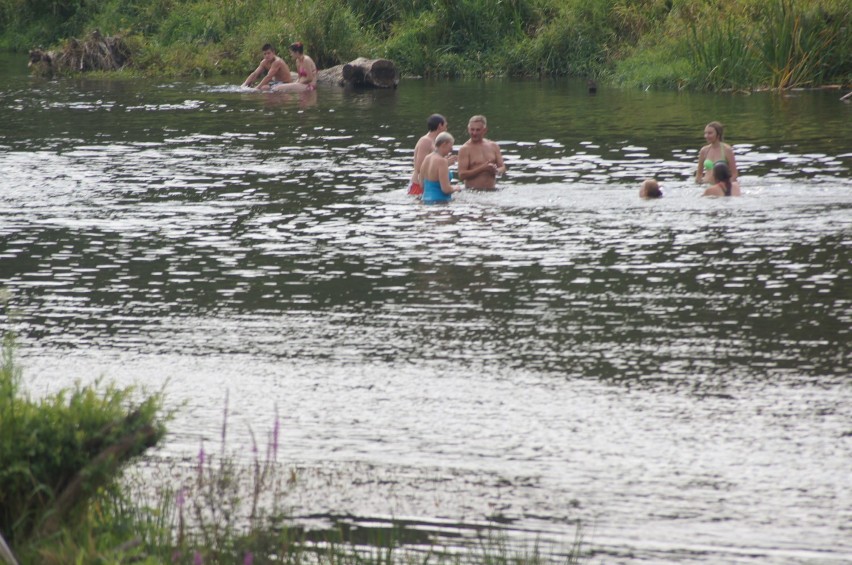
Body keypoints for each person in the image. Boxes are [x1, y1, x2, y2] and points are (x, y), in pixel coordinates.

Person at [408, 114, 455, 195]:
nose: (446, 129)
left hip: (428, 186)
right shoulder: (426, 141)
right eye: (446, 126)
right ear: (440, 126)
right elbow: (419, 167)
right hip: (419, 185)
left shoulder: (435, 142)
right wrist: (446, 163)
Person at [458, 115, 506, 190]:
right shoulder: (465, 149)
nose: (474, 133)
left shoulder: (494, 146)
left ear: (485, 130)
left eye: (478, 130)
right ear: (468, 129)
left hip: (492, 190)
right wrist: (482, 168)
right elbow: (461, 175)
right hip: (472, 192)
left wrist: (496, 171)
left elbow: (502, 167)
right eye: (472, 129)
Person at [419, 132, 462, 204]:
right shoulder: (442, 161)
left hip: (425, 200)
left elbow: (421, 184)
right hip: (440, 202)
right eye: (450, 146)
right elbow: (445, 189)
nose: (451, 149)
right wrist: (456, 188)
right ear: (444, 144)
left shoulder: (427, 158)